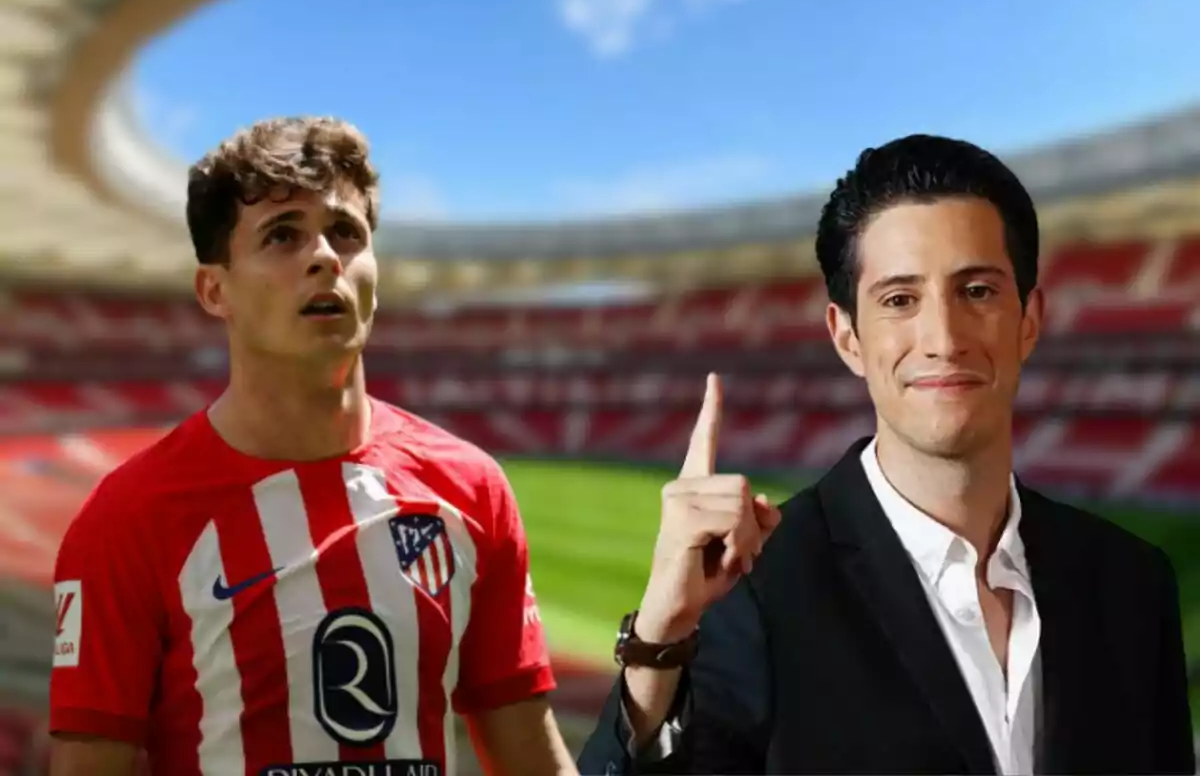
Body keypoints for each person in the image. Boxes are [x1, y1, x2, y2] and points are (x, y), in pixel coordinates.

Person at [578, 134, 1195, 775]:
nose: (943, 338)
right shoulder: (756, 592)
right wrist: (658, 643)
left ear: (1029, 319)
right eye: (900, 300)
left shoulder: (1132, 585)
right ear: (846, 337)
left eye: (977, 291)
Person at [48, 117, 578, 776]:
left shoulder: (470, 490)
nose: (326, 255)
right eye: (282, 235)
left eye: (347, 233)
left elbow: (529, 752)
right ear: (215, 289)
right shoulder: (128, 520)